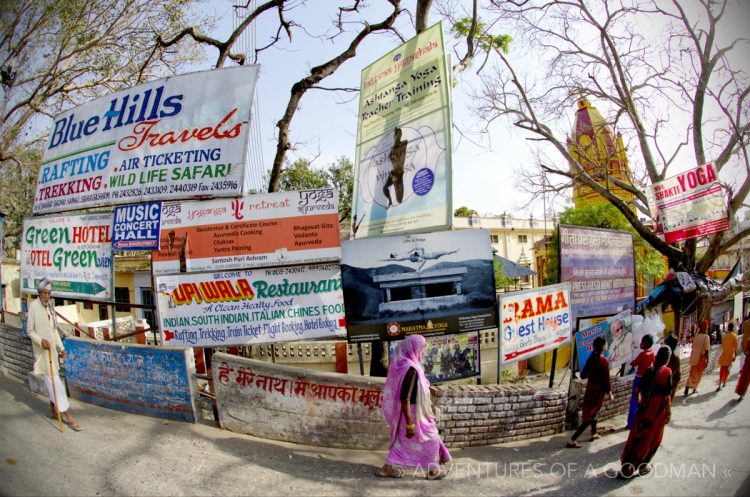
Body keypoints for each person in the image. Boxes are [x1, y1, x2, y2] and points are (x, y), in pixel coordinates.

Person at [377, 335, 451, 480]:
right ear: (414, 349)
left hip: (414, 412)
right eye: (422, 349)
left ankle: (388, 469)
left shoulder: (405, 364)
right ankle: (432, 471)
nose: (423, 353)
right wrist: (410, 424)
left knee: (404, 442)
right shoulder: (411, 369)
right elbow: (404, 397)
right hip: (413, 413)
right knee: (431, 439)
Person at [26, 278, 82, 431]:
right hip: (43, 354)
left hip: (53, 354)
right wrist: (40, 340)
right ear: (39, 293)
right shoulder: (33, 307)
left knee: (53, 382)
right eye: (44, 293)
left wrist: (61, 348)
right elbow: (29, 331)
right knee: (55, 384)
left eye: (48, 293)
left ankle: (53, 409)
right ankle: (67, 416)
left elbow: (54, 330)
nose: (46, 296)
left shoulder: (50, 307)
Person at [618, 346, 673, 479]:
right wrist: (669, 413)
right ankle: (643, 466)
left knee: (637, 436)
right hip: (657, 411)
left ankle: (628, 465)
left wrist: (641, 405)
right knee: (652, 438)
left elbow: (637, 392)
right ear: (667, 359)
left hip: (644, 408)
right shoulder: (667, 373)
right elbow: (666, 398)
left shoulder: (648, 371)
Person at [566, 336, 613, 448]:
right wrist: (609, 393)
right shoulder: (603, 361)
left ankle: (594, 432)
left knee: (593, 412)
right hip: (598, 392)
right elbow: (606, 380)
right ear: (603, 346)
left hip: (590, 389)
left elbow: (583, 375)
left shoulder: (591, 358)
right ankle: (572, 440)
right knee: (590, 416)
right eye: (605, 343)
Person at [627, 334, 654, 429]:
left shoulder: (643, 354)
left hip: (639, 378)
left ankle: (631, 423)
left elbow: (633, 363)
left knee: (634, 400)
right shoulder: (652, 352)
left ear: (645, 344)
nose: (640, 343)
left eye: (642, 342)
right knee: (643, 400)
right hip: (647, 379)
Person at [383, 127, 408, 208]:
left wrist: (398, 136)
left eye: (399, 134)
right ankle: (390, 201)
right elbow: (390, 155)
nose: (397, 136)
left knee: (399, 200)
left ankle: (396, 187)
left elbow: (399, 142)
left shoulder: (404, 143)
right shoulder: (392, 150)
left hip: (399, 175)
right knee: (384, 188)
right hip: (393, 173)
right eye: (396, 135)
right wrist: (396, 138)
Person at [685, 320, 711, 396]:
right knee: (698, 374)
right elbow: (706, 350)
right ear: (706, 328)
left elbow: (693, 347)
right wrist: (707, 360)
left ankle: (687, 387)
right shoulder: (706, 337)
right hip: (701, 358)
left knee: (692, 373)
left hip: (694, 357)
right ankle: (694, 388)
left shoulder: (696, 336)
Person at [717, 322, 738, 391]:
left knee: (722, 370)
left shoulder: (725, 336)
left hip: (724, 354)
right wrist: (735, 355)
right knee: (727, 370)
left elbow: (722, 346)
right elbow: (736, 347)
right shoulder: (734, 336)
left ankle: (720, 384)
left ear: (728, 328)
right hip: (730, 355)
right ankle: (724, 382)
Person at [664, 333, 682, 401]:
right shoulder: (676, 358)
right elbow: (678, 375)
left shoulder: (661, 355)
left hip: (661, 389)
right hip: (668, 389)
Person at [735, 327, 750, 401]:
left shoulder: (748, 341)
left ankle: (740, 391)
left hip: (747, 361)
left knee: (744, 377)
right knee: (747, 379)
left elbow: (745, 352)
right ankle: (743, 392)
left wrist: (743, 346)